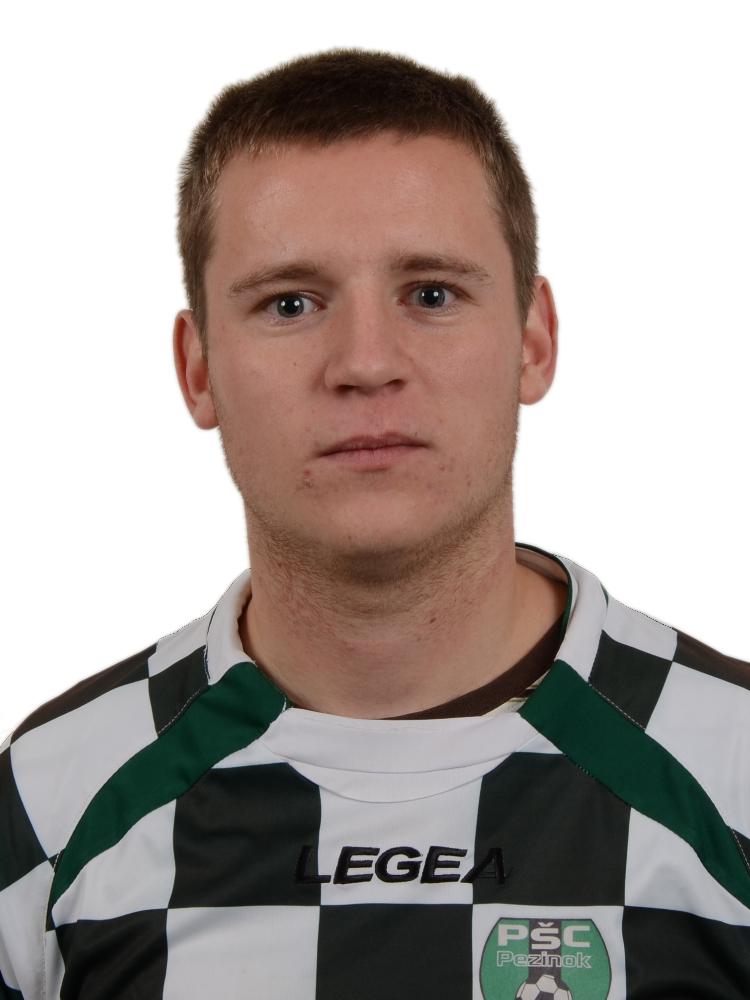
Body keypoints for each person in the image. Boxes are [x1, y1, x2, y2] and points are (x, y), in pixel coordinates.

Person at [1, 47, 748, 1000]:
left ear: (533, 339)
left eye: (431, 294)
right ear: (198, 369)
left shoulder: (733, 768)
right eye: (290, 303)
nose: (364, 362)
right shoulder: (48, 805)